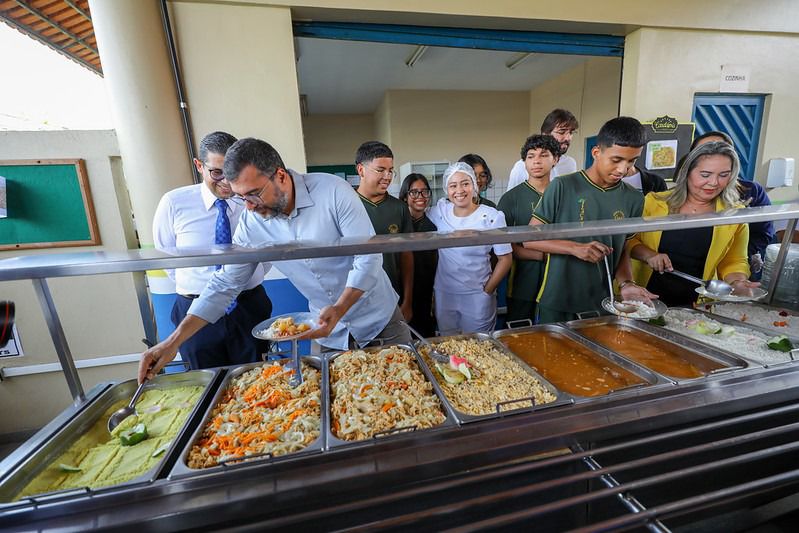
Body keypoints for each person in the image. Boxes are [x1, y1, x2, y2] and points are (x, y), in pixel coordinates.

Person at [139, 138, 410, 382]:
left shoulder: (333, 191)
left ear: (280, 176)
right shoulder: (251, 221)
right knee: (335, 405)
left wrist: (339, 308)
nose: (248, 206)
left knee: (405, 392)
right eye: (241, 197)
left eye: (254, 193)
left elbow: (368, 258)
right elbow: (226, 284)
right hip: (328, 331)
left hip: (379, 320)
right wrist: (172, 342)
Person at [151, 131, 272, 369]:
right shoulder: (174, 203)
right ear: (199, 165)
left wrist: (244, 279)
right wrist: (200, 284)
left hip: (247, 305)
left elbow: (266, 254)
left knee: (256, 379)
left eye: (231, 172)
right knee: (204, 379)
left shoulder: (252, 200)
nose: (226, 181)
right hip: (193, 308)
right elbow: (166, 256)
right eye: (217, 172)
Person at [523, 116, 655, 323]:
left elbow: (623, 248)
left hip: (603, 300)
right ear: (596, 152)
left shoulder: (633, 198)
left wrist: (626, 283)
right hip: (558, 298)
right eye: (616, 160)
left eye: (632, 161)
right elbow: (529, 239)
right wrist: (574, 248)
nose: (623, 169)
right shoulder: (563, 186)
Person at [627, 141, 760, 307]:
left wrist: (738, 281)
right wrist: (649, 255)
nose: (714, 183)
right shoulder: (654, 203)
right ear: (687, 172)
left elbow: (735, 260)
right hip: (647, 297)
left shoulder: (733, 216)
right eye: (705, 175)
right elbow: (629, 241)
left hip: (697, 302)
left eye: (723, 175)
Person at [428, 162, 512, 334]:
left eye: (465, 183)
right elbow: (414, 212)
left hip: (477, 295)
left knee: (478, 347)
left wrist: (488, 290)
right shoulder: (440, 211)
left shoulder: (491, 216)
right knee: (448, 344)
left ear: (474, 185)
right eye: (453, 185)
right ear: (446, 189)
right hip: (445, 294)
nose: (459, 190)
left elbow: (505, 258)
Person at [689, 130, 774, 280]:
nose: (713, 182)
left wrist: (733, 265)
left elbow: (763, 233)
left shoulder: (751, 191)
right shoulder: (662, 200)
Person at [497, 134, 560, 323]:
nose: (537, 161)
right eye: (531, 156)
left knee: (555, 332)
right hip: (522, 282)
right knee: (520, 331)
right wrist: (541, 255)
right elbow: (502, 246)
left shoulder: (564, 194)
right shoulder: (511, 199)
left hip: (558, 279)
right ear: (524, 162)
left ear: (555, 159)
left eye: (544, 155)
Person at [355, 141, 414, 320]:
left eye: (390, 171)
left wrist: (408, 301)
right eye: (380, 170)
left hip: (392, 298)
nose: (388, 176)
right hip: (356, 301)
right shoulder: (347, 206)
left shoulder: (399, 208)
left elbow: (406, 256)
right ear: (361, 170)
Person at [399, 173, 437, 337]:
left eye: (424, 191)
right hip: (401, 292)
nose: (420, 197)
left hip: (426, 294)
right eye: (414, 192)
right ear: (405, 196)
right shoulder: (399, 225)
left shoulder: (432, 226)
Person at [506, 109, 579, 191]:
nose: (567, 138)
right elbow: (511, 199)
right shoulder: (521, 167)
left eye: (571, 133)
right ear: (545, 134)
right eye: (561, 132)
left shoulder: (570, 164)